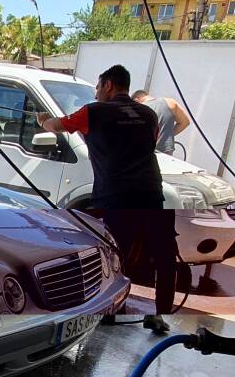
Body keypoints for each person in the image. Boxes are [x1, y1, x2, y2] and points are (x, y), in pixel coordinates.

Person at [38, 65, 175, 331]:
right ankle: (160, 316)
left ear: (109, 85)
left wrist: (43, 120)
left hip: (116, 197)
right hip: (151, 195)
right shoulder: (148, 114)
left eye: (98, 86)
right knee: (164, 257)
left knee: (114, 258)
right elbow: (150, 143)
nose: (97, 92)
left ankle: (110, 313)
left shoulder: (93, 112)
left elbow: (56, 125)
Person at [132, 89, 191, 155]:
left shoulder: (137, 109)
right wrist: (167, 134)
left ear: (136, 100)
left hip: (144, 154)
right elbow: (185, 122)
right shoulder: (170, 103)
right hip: (166, 154)